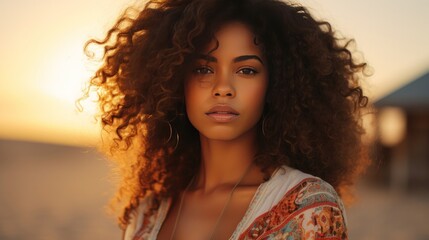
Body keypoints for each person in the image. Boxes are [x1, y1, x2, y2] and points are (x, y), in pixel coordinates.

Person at [84, 0, 369, 239]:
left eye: (246, 70)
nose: (223, 87)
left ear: (276, 85)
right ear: (174, 81)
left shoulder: (310, 209)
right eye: (203, 69)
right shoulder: (147, 212)